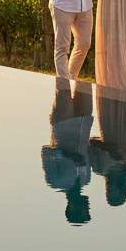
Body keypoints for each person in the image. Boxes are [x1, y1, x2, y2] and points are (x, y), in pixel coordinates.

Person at [42, 80, 94, 225]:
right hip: (84, 120)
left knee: (63, 83)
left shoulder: (55, 181)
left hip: (63, 124)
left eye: (84, 210)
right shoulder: (86, 179)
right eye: (88, 210)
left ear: (71, 208)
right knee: (86, 81)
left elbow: (46, 153)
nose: (88, 207)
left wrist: (67, 155)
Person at [89, 85, 126, 207]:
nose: (112, 192)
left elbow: (91, 143)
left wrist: (109, 149)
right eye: (116, 196)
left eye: (110, 195)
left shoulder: (99, 168)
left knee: (109, 87)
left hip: (109, 126)